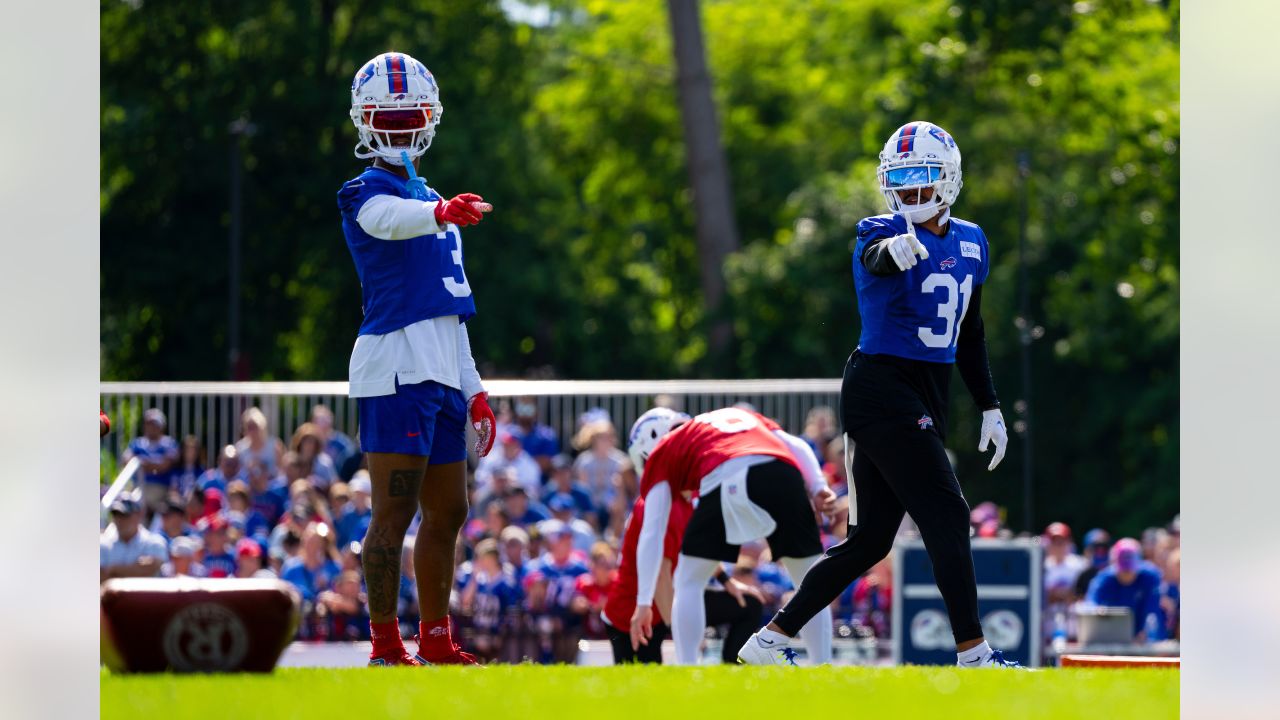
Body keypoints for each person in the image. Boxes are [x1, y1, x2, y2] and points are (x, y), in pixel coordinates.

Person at [737, 122, 1019, 669]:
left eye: (923, 180)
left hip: (923, 392)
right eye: (902, 182)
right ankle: (973, 653)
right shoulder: (879, 230)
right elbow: (876, 257)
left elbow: (972, 331)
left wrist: (989, 404)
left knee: (869, 543)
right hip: (881, 387)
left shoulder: (972, 240)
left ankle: (767, 641)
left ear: (949, 179)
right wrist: (895, 249)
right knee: (947, 511)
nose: (912, 193)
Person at [338, 51, 498, 667]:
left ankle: (436, 637)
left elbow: (449, 313)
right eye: (390, 118)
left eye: (412, 118)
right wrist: (436, 211)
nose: (402, 129)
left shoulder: (434, 200)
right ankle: (384, 645)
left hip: (438, 369)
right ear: (366, 119)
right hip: (394, 368)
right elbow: (385, 219)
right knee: (394, 510)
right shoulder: (366, 192)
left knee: (451, 509)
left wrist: (475, 389)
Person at [626, 406, 837, 666]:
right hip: (784, 472)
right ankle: (823, 666)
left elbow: (652, 531)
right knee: (810, 582)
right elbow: (794, 444)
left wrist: (644, 602)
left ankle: (688, 667)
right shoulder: (737, 416)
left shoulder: (666, 447)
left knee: (688, 579)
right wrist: (817, 486)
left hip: (726, 476)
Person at [1085, 537, 1163, 641]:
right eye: (1123, 571)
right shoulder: (1103, 580)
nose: (1127, 575)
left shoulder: (1151, 577)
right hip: (1111, 638)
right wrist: (1098, 612)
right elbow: (1090, 604)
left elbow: (1153, 611)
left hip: (1144, 638)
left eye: (1130, 570)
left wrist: (1147, 634)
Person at [122, 408, 180, 517]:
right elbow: (126, 460)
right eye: (148, 424)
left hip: (161, 488)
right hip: (138, 486)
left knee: (140, 502)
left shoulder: (169, 443)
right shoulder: (137, 443)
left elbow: (164, 465)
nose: (151, 427)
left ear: (161, 426)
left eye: (154, 424)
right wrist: (152, 466)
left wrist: (140, 463)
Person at [100, 495, 169, 582]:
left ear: (138, 516)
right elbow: (100, 576)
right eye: (116, 515)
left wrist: (113, 569)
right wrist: (134, 569)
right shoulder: (102, 543)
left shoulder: (154, 542)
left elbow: (151, 568)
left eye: (125, 515)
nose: (120, 520)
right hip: (112, 596)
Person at [507, 396, 561, 477]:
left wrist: (519, 462)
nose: (524, 412)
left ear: (536, 410)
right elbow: (503, 459)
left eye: (528, 408)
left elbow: (545, 464)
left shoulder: (546, 434)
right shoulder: (509, 432)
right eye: (522, 407)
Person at [235, 407, 285, 476]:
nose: (252, 431)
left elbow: (281, 472)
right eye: (249, 427)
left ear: (263, 427)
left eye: (255, 427)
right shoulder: (240, 448)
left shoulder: (275, 446)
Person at [310, 404, 358, 475]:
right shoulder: (308, 441)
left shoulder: (342, 442)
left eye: (326, 419)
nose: (324, 423)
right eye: (320, 420)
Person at [291, 422, 339, 491]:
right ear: (299, 442)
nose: (309, 445)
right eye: (305, 441)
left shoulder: (324, 463)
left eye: (312, 442)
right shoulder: (291, 461)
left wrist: (319, 483)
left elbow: (334, 485)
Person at [335, 470, 373, 548]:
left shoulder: (374, 514)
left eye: (360, 493)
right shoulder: (346, 514)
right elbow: (342, 540)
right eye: (355, 493)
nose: (357, 496)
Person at [1074, 528, 1113, 598]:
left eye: (1104, 548)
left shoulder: (1117, 573)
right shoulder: (1083, 574)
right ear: (1086, 551)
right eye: (1095, 549)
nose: (1100, 553)